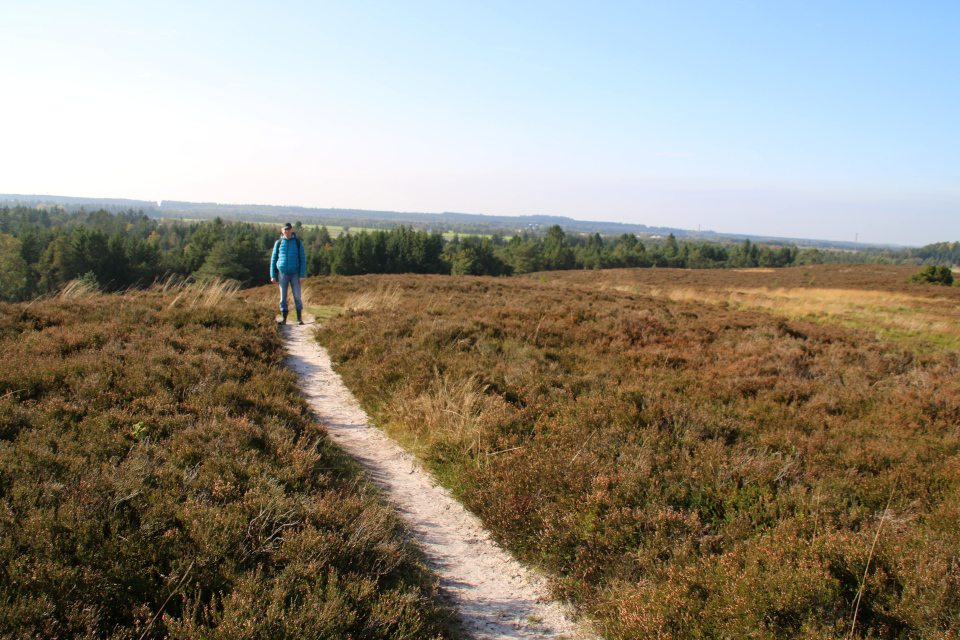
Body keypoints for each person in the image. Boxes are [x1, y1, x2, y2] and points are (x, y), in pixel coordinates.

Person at [270, 222, 306, 325]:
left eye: (289, 229)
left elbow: (302, 260)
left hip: (295, 273)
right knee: (283, 298)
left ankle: (299, 319)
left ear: (291, 230)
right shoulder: (279, 243)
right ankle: (284, 319)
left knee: (297, 297)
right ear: (282, 230)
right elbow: (273, 260)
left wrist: (302, 275)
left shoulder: (298, 243)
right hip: (282, 274)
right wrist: (273, 275)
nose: (287, 231)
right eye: (285, 230)